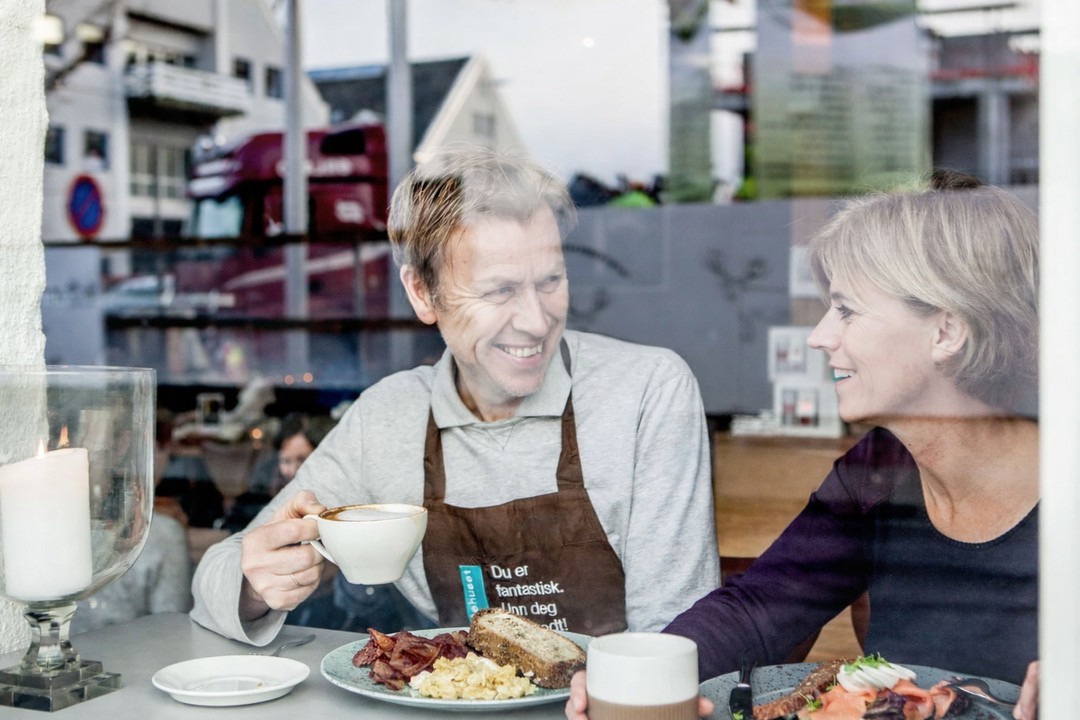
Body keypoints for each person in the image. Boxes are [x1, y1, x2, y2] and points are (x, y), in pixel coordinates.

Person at [190, 145, 719, 644]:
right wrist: (255, 583)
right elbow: (217, 577)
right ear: (422, 292)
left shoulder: (645, 391)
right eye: (499, 291)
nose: (536, 321)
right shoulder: (388, 419)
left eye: (551, 280)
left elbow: (675, 640)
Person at [567, 172, 1040, 720]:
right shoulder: (879, 469)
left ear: (946, 332)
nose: (819, 336)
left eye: (846, 310)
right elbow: (758, 609)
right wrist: (636, 678)